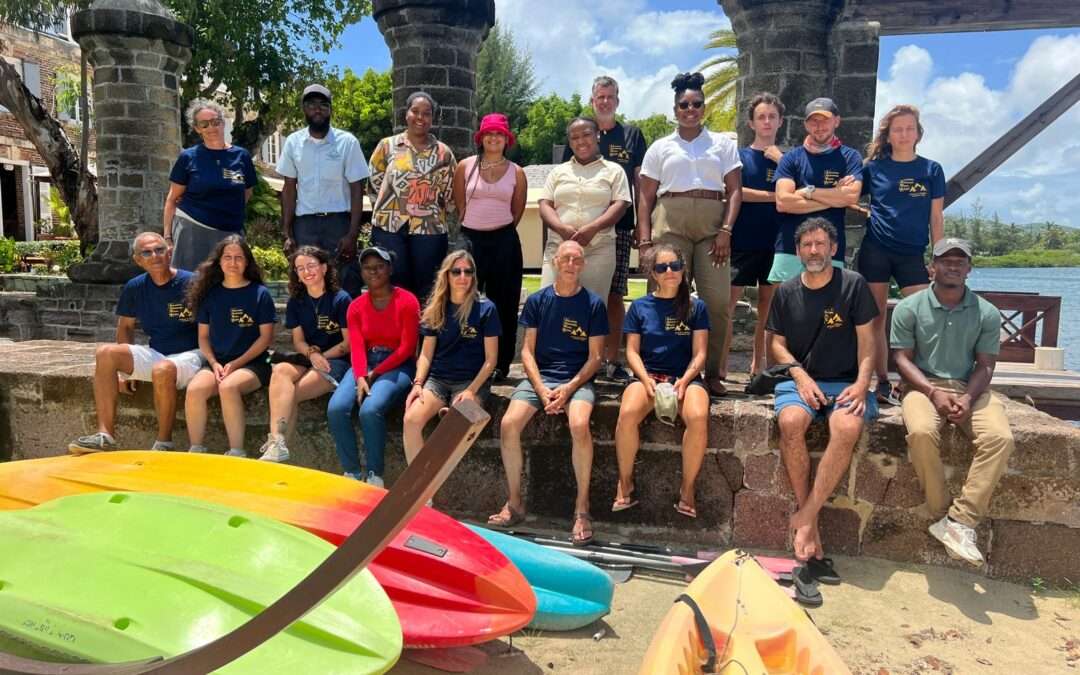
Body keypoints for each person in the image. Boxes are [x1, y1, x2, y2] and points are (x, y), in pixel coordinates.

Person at [891, 238, 1013, 565]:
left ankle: (961, 520)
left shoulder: (986, 312)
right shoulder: (908, 308)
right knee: (921, 433)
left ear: (969, 269)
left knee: (1000, 438)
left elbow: (985, 365)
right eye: (946, 260)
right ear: (932, 267)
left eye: (961, 261)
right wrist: (932, 392)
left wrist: (969, 398)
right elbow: (901, 359)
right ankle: (941, 511)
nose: (953, 266)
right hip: (921, 386)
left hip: (969, 386)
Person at [767, 217, 878, 572]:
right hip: (801, 379)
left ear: (833, 248)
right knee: (790, 422)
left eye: (820, 244)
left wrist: (862, 384)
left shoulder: (853, 285)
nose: (813, 250)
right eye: (806, 245)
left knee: (846, 427)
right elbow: (776, 345)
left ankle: (806, 516)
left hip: (845, 380)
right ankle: (810, 519)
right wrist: (799, 375)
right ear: (798, 251)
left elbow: (868, 343)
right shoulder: (785, 291)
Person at [488, 240, 608, 546]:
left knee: (579, 424)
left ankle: (582, 508)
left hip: (576, 380)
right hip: (541, 378)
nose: (571, 264)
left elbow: (596, 357)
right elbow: (526, 352)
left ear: (583, 265)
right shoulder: (538, 301)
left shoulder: (593, 304)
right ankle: (514, 502)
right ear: (555, 261)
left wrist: (568, 389)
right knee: (508, 424)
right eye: (566, 258)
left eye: (577, 260)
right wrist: (541, 389)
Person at [638, 72, 742, 396]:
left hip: (713, 228)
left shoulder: (723, 145)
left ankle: (712, 372)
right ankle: (661, 367)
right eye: (684, 105)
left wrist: (726, 230)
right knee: (666, 296)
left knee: (717, 302)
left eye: (696, 104)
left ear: (704, 107)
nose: (690, 109)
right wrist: (645, 242)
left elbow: (735, 191)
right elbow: (645, 198)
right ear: (675, 109)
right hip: (671, 223)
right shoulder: (660, 147)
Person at [69, 232, 202, 453]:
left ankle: (164, 443)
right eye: (147, 253)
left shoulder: (193, 282)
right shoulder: (135, 287)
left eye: (159, 250)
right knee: (105, 353)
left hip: (193, 355)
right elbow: (125, 327)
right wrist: (124, 374)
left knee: (162, 369)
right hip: (159, 353)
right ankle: (105, 436)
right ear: (138, 260)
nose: (155, 256)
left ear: (169, 252)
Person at [613, 244, 710, 518]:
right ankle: (625, 481)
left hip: (686, 377)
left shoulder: (696, 307)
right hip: (648, 375)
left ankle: (687, 488)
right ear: (653, 274)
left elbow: (701, 353)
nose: (669, 271)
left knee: (698, 417)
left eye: (675, 266)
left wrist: (685, 380)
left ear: (683, 269)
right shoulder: (639, 307)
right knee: (627, 414)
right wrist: (645, 380)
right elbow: (632, 351)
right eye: (661, 267)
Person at [561, 76, 647, 382]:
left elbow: (639, 185)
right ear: (592, 100)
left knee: (614, 293)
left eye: (610, 96)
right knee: (573, 290)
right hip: (576, 230)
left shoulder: (632, 135)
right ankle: (576, 357)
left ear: (617, 100)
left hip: (619, 228)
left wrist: (642, 227)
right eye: (600, 96)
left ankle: (611, 359)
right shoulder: (577, 133)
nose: (605, 101)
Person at [859, 104, 946, 404]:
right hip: (876, 250)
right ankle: (882, 381)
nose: (904, 134)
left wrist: (938, 255)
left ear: (918, 134)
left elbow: (936, 218)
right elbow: (848, 193)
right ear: (888, 135)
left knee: (923, 318)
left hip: (912, 254)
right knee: (876, 318)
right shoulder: (873, 168)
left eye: (909, 128)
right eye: (898, 129)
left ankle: (913, 381)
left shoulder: (931, 170)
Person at [327, 246, 419, 487]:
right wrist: (360, 376)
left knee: (370, 409)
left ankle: (374, 475)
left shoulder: (407, 301)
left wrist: (375, 374)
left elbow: (407, 348)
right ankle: (352, 473)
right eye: (367, 268)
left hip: (398, 364)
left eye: (379, 266)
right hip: (366, 361)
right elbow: (357, 347)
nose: (373, 272)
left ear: (390, 269)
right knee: (336, 408)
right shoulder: (356, 306)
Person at [403, 250, 500, 463]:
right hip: (438, 380)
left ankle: (452, 413)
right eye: (456, 271)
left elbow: (491, 359)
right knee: (411, 420)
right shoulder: (436, 307)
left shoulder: (486, 308)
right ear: (446, 275)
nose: (463, 276)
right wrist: (418, 383)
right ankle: (421, 483)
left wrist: (471, 390)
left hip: (471, 381)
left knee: (458, 422)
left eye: (468, 271)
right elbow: (425, 354)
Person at [257, 246, 352, 463]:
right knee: (280, 371)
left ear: (324, 268)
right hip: (309, 357)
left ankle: (279, 448)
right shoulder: (296, 301)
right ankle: (277, 444)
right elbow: (298, 341)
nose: (306, 272)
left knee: (292, 393)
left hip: (336, 360)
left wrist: (322, 357)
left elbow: (348, 343)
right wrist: (312, 354)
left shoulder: (341, 299)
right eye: (300, 268)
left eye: (311, 266)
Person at [184, 235, 277, 456]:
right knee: (195, 389)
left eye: (238, 257)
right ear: (219, 261)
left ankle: (237, 451)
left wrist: (236, 364)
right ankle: (196, 449)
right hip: (218, 363)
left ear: (247, 262)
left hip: (253, 363)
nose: (233, 262)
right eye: (227, 257)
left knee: (228, 387)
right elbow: (203, 337)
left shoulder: (260, 294)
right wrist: (214, 363)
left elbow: (265, 338)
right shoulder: (210, 294)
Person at [452, 112, 526, 381]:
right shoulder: (465, 166)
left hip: (504, 240)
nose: (494, 138)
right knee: (463, 300)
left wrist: (498, 229)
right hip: (471, 239)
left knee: (504, 304)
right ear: (481, 138)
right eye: (489, 133)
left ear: (506, 139)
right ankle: (465, 358)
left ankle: (500, 363)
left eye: (499, 134)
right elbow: (460, 204)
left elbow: (517, 211)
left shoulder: (517, 172)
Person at [278, 84, 371, 297]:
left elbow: (357, 190)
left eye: (323, 104)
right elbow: (289, 189)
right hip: (305, 225)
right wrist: (287, 233)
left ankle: (345, 320)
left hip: (338, 224)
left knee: (344, 282)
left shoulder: (347, 142)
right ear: (304, 109)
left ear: (330, 109)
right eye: (312, 104)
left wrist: (352, 233)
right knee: (305, 282)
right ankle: (310, 320)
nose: (317, 109)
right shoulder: (293, 142)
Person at [367, 92, 457, 301]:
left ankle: (426, 325)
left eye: (426, 113)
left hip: (429, 231)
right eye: (415, 111)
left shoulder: (444, 153)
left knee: (428, 289)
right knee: (392, 287)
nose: (420, 117)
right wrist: (393, 206)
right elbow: (374, 183)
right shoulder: (387, 146)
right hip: (389, 229)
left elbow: (450, 193)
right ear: (406, 114)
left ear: (433, 118)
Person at [721, 92, 785, 378]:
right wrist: (775, 196)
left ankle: (760, 367)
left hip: (776, 242)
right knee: (727, 306)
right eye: (761, 117)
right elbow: (736, 192)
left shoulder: (789, 160)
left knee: (768, 309)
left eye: (772, 116)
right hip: (742, 241)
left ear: (780, 121)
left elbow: (801, 189)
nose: (767, 121)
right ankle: (720, 367)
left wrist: (781, 160)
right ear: (751, 123)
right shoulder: (739, 157)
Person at [772, 98, 863, 284]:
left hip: (830, 249)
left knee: (828, 302)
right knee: (784, 301)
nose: (819, 126)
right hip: (789, 247)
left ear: (836, 121)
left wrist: (807, 191)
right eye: (814, 121)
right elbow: (783, 202)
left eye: (825, 120)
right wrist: (834, 196)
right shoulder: (791, 158)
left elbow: (851, 196)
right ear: (806, 125)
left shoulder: (850, 157)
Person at [539, 117, 630, 301]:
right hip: (559, 247)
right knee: (548, 303)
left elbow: (620, 205)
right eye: (574, 137)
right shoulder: (557, 172)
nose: (580, 141)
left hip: (598, 249)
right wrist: (561, 228)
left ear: (598, 136)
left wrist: (593, 228)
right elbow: (545, 205)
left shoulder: (614, 171)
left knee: (592, 307)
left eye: (586, 135)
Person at [164, 99, 257, 271]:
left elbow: (247, 192)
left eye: (215, 122)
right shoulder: (188, 157)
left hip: (231, 231)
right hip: (192, 229)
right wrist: (168, 237)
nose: (211, 128)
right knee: (191, 282)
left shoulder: (242, 156)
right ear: (197, 129)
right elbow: (172, 200)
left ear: (223, 123)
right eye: (204, 124)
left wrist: (229, 212)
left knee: (231, 281)